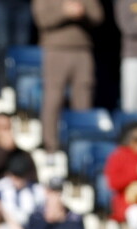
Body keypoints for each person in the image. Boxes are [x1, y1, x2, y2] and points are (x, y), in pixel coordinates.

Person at [33, 0, 104, 154]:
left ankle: (82, 146)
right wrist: (64, 12)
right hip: (56, 49)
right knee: (53, 98)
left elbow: (98, 16)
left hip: (82, 50)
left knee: (83, 98)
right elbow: (42, 19)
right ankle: (50, 144)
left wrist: (83, 11)